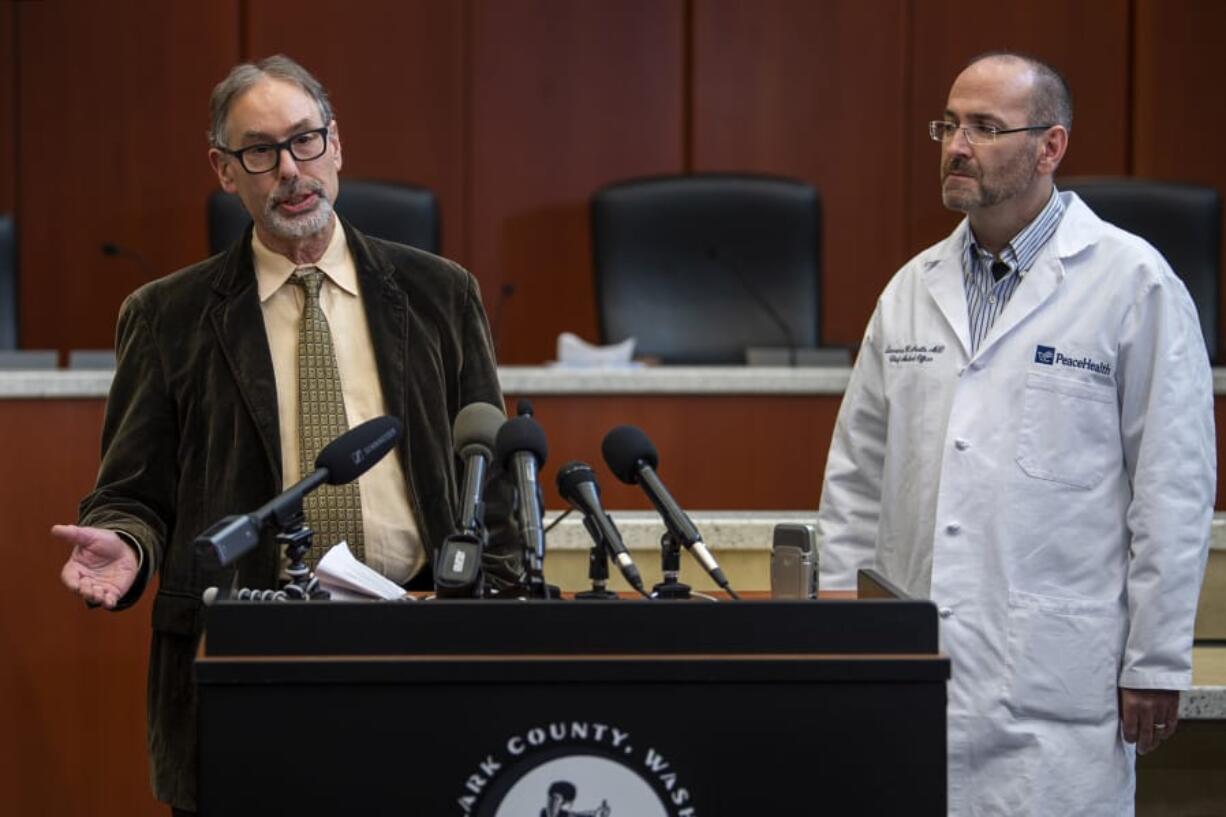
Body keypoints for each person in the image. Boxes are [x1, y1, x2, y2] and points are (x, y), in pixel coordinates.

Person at [53, 55, 512, 814]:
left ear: (337, 145)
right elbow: (132, 492)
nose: (290, 170)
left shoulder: (440, 293)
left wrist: (489, 624)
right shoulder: (167, 316)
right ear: (224, 170)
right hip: (248, 660)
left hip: (421, 643)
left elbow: (487, 485)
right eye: (260, 151)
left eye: (305, 141)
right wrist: (127, 545)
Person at [818, 52, 1213, 816]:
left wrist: (1158, 659)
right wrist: (842, 629)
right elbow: (856, 479)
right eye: (949, 124)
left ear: (1050, 147)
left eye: (986, 128)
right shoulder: (910, 291)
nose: (956, 145)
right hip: (914, 682)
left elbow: (1174, 484)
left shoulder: (1133, 283)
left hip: (1058, 688)